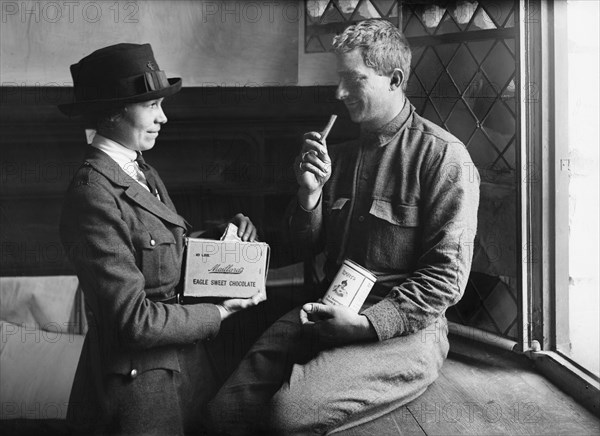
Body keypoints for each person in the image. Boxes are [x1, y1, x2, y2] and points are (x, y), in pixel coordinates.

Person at [207, 19, 480, 435]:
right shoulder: (341, 156)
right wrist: (309, 196)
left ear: (395, 79)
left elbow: (446, 279)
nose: (339, 93)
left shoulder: (443, 158)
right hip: (325, 308)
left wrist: (369, 325)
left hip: (403, 333)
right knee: (222, 414)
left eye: (354, 79)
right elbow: (301, 247)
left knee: (288, 415)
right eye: (339, 79)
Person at [58, 43, 262, 435]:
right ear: (114, 111)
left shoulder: (139, 169)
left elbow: (161, 249)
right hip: (139, 391)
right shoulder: (92, 193)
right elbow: (134, 321)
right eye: (151, 106)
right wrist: (221, 313)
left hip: (184, 370)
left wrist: (223, 237)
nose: (163, 118)